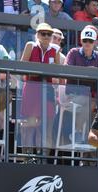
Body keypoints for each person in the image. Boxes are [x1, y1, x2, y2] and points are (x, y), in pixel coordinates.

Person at [19, 23, 60, 153]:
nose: (46, 36)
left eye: (49, 34)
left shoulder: (56, 49)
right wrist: (37, 73)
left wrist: (49, 76)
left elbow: (58, 75)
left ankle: (44, 160)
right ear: (37, 34)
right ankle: (28, 158)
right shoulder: (30, 46)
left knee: (47, 128)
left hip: (48, 91)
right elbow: (22, 68)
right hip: (32, 89)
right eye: (43, 33)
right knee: (30, 127)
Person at [64, 26, 98, 143]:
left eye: (90, 41)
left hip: (92, 96)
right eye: (85, 40)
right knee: (91, 102)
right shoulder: (73, 52)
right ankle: (78, 133)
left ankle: (90, 144)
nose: (87, 43)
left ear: (94, 42)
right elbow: (66, 69)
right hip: (73, 94)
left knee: (97, 105)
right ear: (81, 41)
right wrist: (89, 70)